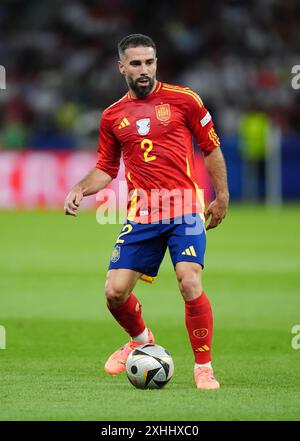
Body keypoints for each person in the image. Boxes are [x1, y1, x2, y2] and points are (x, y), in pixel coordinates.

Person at [64, 34, 229, 390]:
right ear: (121, 67)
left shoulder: (184, 100)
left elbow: (211, 149)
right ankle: (140, 338)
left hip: (184, 208)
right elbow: (106, 169)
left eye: (149, 62)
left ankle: (203, 367)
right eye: (136, 63)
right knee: (114, 292)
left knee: (189, 280)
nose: (144, 70)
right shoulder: (112, 116)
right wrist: (79, 188)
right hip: (142, 215)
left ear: (156, 63)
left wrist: (222, 196)